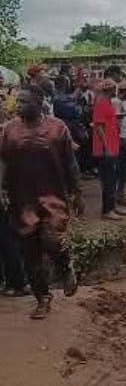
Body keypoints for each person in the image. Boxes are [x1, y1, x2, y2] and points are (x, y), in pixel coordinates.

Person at [0, 85, 83, 319]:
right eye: (17, 101)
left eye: (24, 101)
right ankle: (43, 299)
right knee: (30, 254)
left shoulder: (57, 128)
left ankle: (65, 268)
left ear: (38, 102)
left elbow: (71, 162)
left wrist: (77, 191)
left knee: (53, 239)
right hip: (22, 200)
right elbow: (2, 161)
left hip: (53, 197)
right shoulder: (9, 131)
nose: (18, 104)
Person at [91, 80, 125, 220]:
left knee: (112, 178)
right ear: (109, 90)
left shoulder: (107, 103)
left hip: (111, 146)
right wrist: (106, 147)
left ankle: (111, 207)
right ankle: (107, 211)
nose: (115, 91)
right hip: (105, 149)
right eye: (113, 89)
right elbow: (98, 127)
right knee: (108, 180)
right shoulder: (101, 104)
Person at [113, 81, 126, 207]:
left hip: (123, 138)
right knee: (122, 168)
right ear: (122, 92)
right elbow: (116, 121)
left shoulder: (122, 103)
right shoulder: (116, 102)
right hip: (120, 139)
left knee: (125, 167)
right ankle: (119, 194)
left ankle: (121, 192)